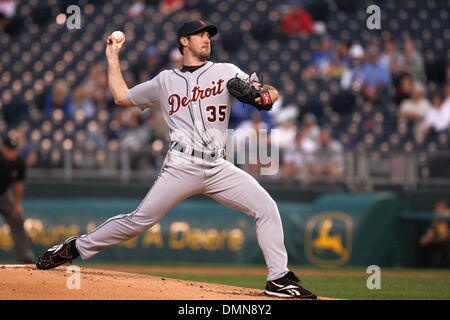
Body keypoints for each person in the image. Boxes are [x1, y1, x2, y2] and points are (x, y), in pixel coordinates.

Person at [36, 20, 317, 299]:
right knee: (138, 222)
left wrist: (265, 95)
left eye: (209, 35)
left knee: (266, 206)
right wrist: (112, 56)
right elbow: (121, 97)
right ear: (184, 41)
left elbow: (266, 90)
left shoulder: (226, 71)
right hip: (182, 165)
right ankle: (76, 247)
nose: (207, 39)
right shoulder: (164, 81)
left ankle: (278, 278)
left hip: (218, 165)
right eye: (200, 35)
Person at [0, 135, 35, 263]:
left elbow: (19, 185)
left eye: (15, 150)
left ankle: (25, 257)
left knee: (18, 218)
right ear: (3, 149)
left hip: (3, 195)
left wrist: (16, 204)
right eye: (10, 150)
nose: (13, 153)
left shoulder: (18, 162)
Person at [419, 201, 449, 268]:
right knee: (425, 245)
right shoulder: (434, 219)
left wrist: (432, 239)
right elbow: (430, 231)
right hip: (436, 241)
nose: (439, 210)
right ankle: (426, 268)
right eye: (437, 208)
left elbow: (445, 236)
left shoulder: (447, 217)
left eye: (441, 208)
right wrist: (426, 238)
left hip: (444, 242)